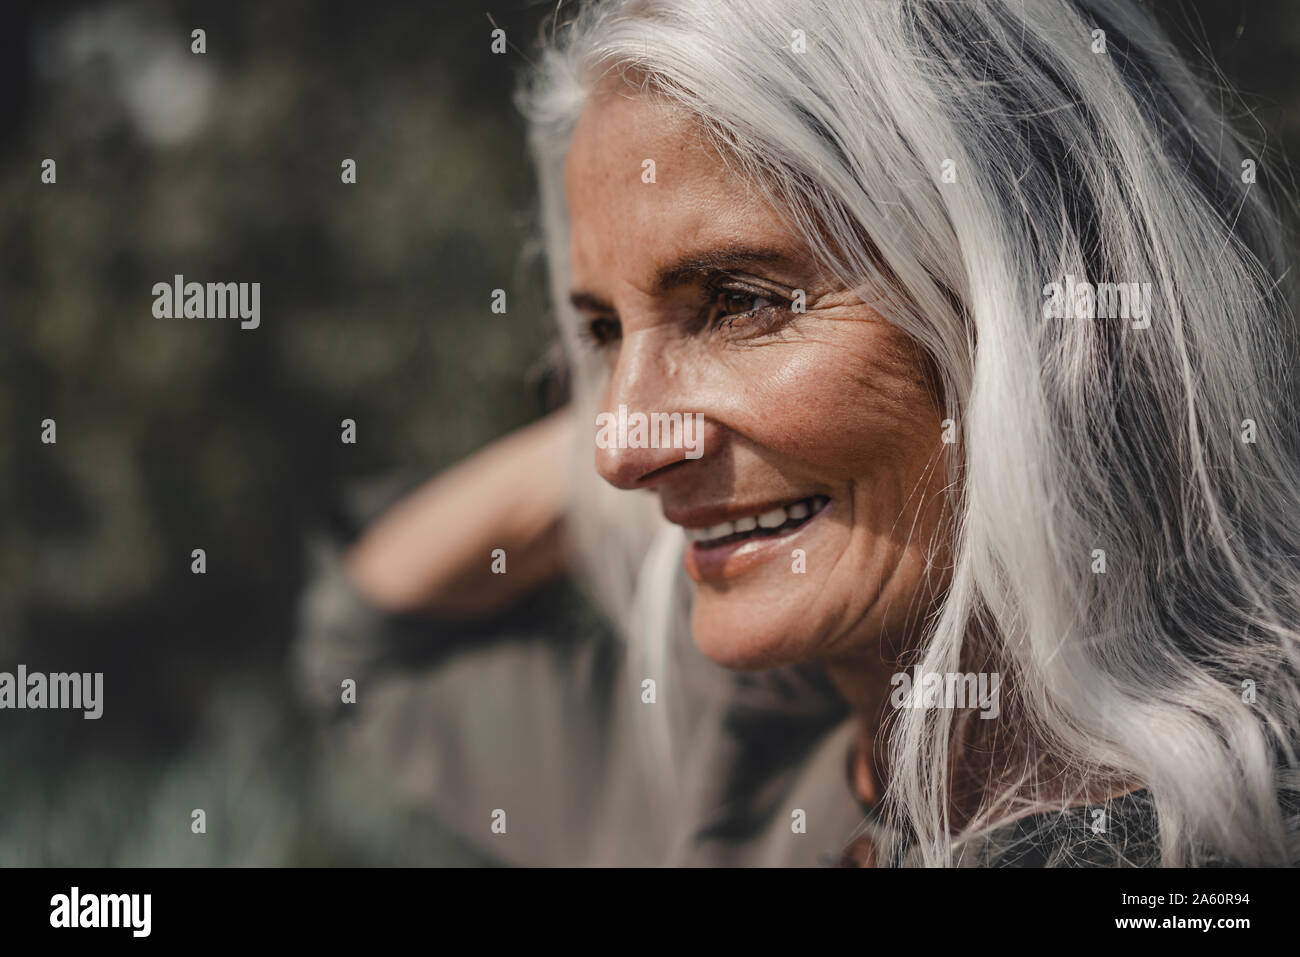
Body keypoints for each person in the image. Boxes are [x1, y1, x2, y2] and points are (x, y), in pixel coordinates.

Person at [294, 0, 1300, 866]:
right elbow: (365, 647)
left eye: (737, 302)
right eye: (601, 331)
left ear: (1032, 315)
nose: (614, 451)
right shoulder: (724, 776)